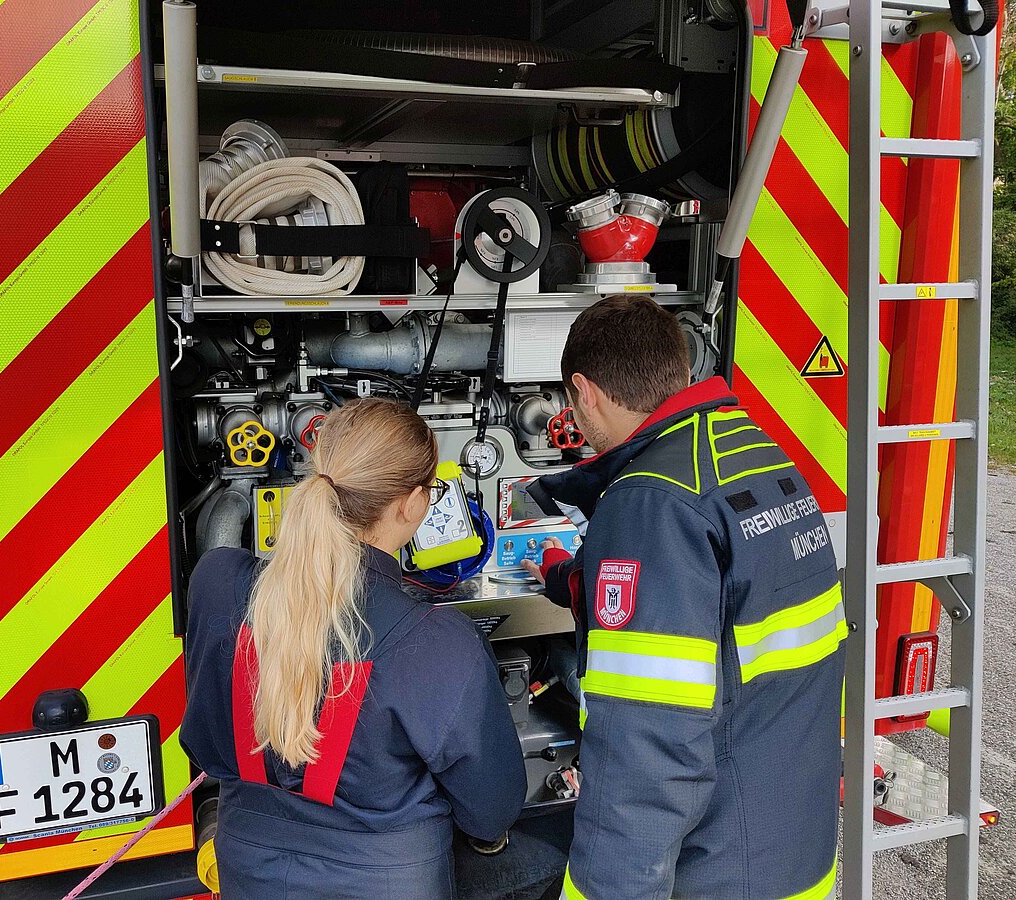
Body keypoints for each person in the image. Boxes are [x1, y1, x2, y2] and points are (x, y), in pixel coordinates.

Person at [521, 297, 846, 899]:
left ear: (583, 391)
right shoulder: (749, 452)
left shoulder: (650, 503)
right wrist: (579, 577)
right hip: (792, 843)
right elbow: (718, 602)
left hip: (718, 867)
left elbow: (647, 745)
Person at [181, 397, 527, 899]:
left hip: (249, 870)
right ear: (412, 504)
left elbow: (206, 743)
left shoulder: (217, 584)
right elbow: (492, 809)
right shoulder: (435, 640)